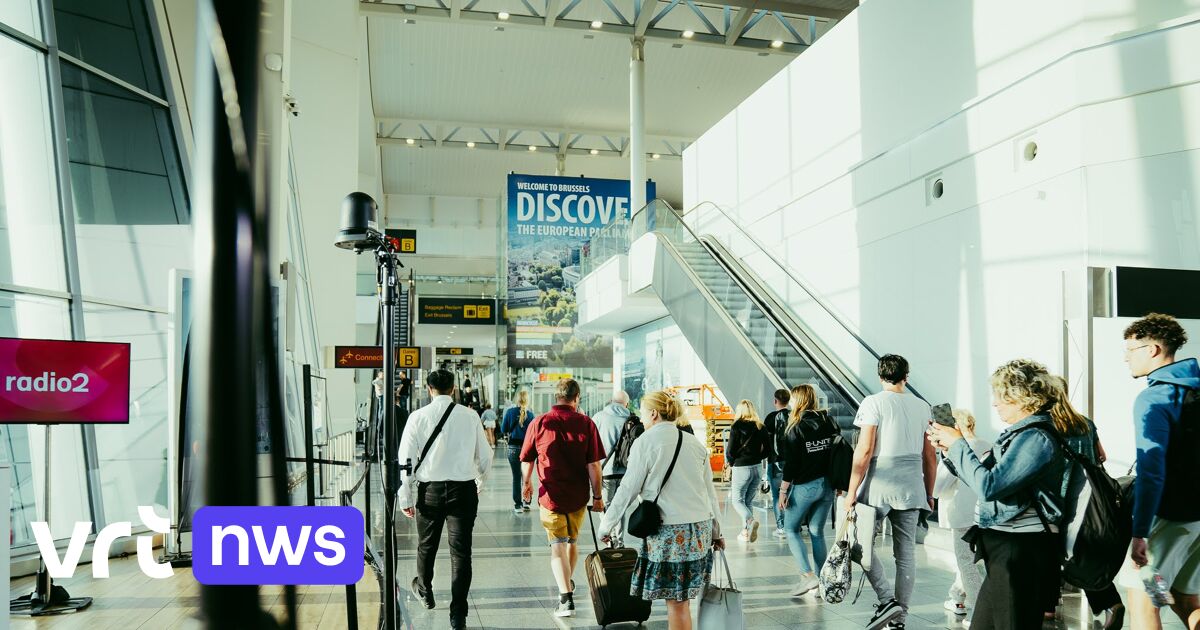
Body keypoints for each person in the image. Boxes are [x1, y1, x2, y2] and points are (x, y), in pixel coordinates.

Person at [927, 359, 1077, 630]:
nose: (995, 404)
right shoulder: (1018, 436)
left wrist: (959, 445)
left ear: (1021, 398)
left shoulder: (1036, 439)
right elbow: (979, 478)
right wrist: (950, 451)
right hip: (1006, 546)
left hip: (1021, 549)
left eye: (1000, 397)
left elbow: (989, 486)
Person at [599, 390, 725, 630]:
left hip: (669, 532)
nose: (642, 418)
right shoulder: (694, 443)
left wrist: (607, 525)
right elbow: (709, 493)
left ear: (654, 413)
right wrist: (717, 533)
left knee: (676, 603)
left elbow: (627, 489)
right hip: (698, 530)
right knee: (682, 601)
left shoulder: (645, 443)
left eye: (644, 413)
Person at [844, 354, 936, 630]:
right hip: (911, 484)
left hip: (878, 484)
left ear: (880, 376)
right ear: (906, 376)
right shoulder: (923, 407)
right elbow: (930, 457)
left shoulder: (873, 403)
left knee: (859, 545)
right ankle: (899, 619)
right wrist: (929, 493)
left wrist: (851, 492)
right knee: (905, 554)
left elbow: (864, 450)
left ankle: (887, 600)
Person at [1120, 313, 1200, 630]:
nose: (1125, 357)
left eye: (1130, 349)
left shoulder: (1154, 397)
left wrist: (1139, 533)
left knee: (1145, 601)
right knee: (1184, 599)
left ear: (1152, 349)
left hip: (1169, 519)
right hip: (1196, 522)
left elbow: (1152, 471)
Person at [397, 369, 493, 630]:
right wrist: (480, 482)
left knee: (426, 545)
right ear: (453, 389)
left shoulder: (418, 417)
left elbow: (406, 460)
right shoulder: (470, 416)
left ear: (429, 389)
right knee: (461, 553)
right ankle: (458, 615)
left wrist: (405, 493)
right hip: (463, 491)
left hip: (430, 491)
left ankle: (425, 591)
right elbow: (485, 456)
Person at [520, 379, 606, 618]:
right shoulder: (586, 423)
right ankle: (566, 582)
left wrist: (526, 483)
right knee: (572, 542)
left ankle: (565, 599)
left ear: (556, 397)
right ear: (576, 397)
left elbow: (527, 460)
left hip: (550, 497)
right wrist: (598, 497)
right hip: (578, 497)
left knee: (557, 546)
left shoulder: (539, 423)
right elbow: (594, 465)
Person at [776, 384, 838, 597]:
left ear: (799, 400)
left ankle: (807, 576)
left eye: (793, 398)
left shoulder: (796, 426)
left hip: (805, 486)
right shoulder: (828, 421)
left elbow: (791, 464)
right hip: (828, 485)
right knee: (816, 531)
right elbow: (837, 452)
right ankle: (821, 583)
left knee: (791, 529)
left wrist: (783, 492)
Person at [932, 408, 991, 624]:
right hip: (985, 513)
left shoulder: (956, 451)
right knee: (977, 561)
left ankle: (977, 612)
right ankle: (957, 596)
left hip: (963, 514)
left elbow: (937, 488)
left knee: (966, 562)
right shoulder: (987, 445)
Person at [592, 390, 634, 543]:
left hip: (604, 469)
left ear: (611, 401)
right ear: (626, 404)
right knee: (620, 506)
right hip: (626, 471)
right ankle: (620, 540)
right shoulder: (632, 419)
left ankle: (609, 537)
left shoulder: (599, 417)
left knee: (604, 505)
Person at [726, 399, 768, 543]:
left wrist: (731, 463)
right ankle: (745, 532)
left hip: (741, 468)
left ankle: (750, 522)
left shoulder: (736, 426)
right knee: (748, 501)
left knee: (737, 501)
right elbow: (768, 450)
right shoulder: (760, 426)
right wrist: (757, 457)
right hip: (757, 468)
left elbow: (730, 451)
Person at [763, 388, 791, 540]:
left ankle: (781, 527)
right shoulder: (794, 415)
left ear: (775, 401)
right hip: (793, 462)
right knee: (791, 493)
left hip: (775, 462)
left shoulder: (770, 418)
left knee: (777, 496)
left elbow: (765, 440)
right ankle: (794, 525)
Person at [501, 390, 535, 514]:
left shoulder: (510, 412)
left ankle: (518, 505)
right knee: (527, 476)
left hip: (513, 448)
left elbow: (503, 429)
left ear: (516, 400)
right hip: (527, 449)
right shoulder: (531, 415)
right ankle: (527, 502)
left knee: (516, 477)